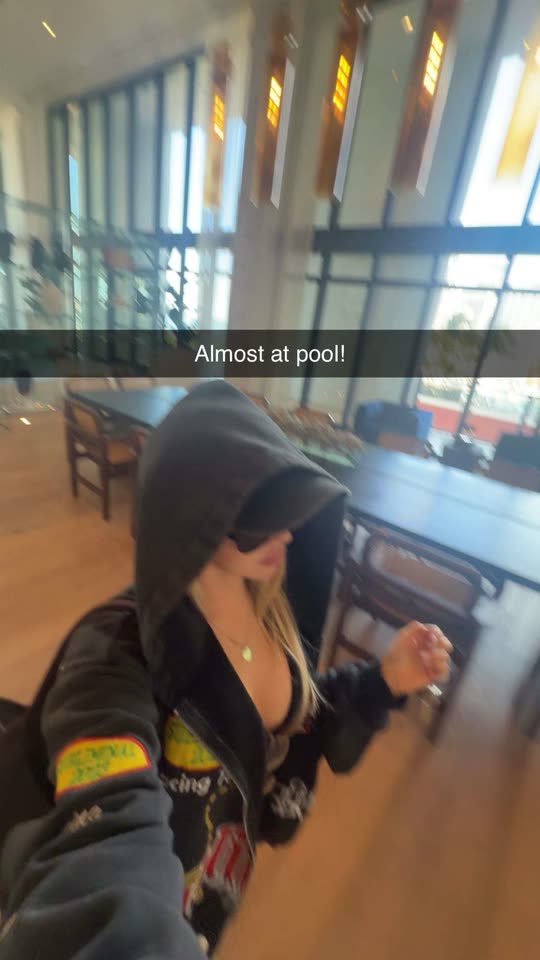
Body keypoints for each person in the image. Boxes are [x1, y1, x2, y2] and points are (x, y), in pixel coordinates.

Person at [0, 380, 451, 959]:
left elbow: (294, 715)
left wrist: (380, 681)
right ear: (192, 521)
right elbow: (108, 820)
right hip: (163, 900)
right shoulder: (115, 651)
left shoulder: (271, 605)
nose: (286, 533)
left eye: (292, 511)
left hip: (213, 878)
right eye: (260, 518)